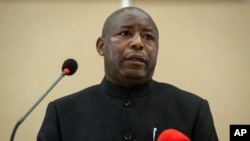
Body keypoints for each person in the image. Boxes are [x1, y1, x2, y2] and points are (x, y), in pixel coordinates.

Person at [37, 6, 218, 141]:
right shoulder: (62, 113)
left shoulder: (193, 110)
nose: (138, 43)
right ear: (101, 47)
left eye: (148, 37)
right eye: (125, 33)